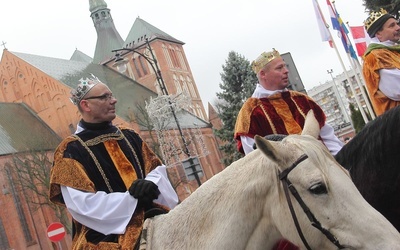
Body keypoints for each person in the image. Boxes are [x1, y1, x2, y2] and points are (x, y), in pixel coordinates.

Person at [49, 74, 178, 249]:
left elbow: (155, 168)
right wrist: (130, 198)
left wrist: (149, 184)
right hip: (103, 234)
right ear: (85, 105)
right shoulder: (70, 151)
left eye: (111, 95)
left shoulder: (129, 135)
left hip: (150, 211)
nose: (114, 100)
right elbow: (82, 204)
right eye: (105, 97)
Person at [234, 49, 344, 250]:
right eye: (279, 67)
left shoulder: (302, 101)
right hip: (291, 196)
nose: (286, 70)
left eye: (285, 66)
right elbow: (258, 162)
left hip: (330, 181)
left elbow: (330, 139)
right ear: (263, 75)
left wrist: (343, 164)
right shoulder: (250, 114)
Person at [363, 9, 400, 116]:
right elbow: (396, 89)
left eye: (397, 24)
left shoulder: (392, 51)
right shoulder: (376, 57)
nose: (398, 27)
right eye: (392, 26)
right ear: (378, 34)